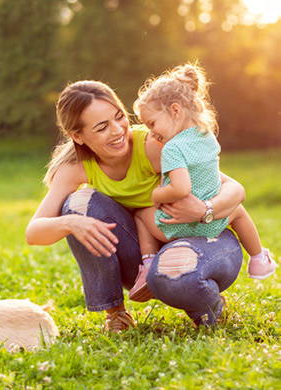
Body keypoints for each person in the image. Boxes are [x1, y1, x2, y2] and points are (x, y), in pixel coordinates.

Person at [25, 79, 246, 331]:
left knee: (176, 269)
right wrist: (70, 223)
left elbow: (235, 189)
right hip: (147, 256)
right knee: (78, 205)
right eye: (102, 127)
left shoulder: (156, 145)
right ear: (78, 136)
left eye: (119, 117)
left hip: (207, 240)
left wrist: (204, 210)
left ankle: (208, 306)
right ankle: (116, 314)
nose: (118, 130)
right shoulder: (75, 168)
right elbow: (34, 233)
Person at [129, 63, 276, 302]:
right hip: (215, 221)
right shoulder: (206, 135)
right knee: (238, 211)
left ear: (175, 110)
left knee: (140, 216)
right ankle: (258, 258)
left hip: (177, 227)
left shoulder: (173, 148)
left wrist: (157, 195)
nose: (151, 132)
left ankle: (148, 265)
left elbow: (181, 189)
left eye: (152, 123)